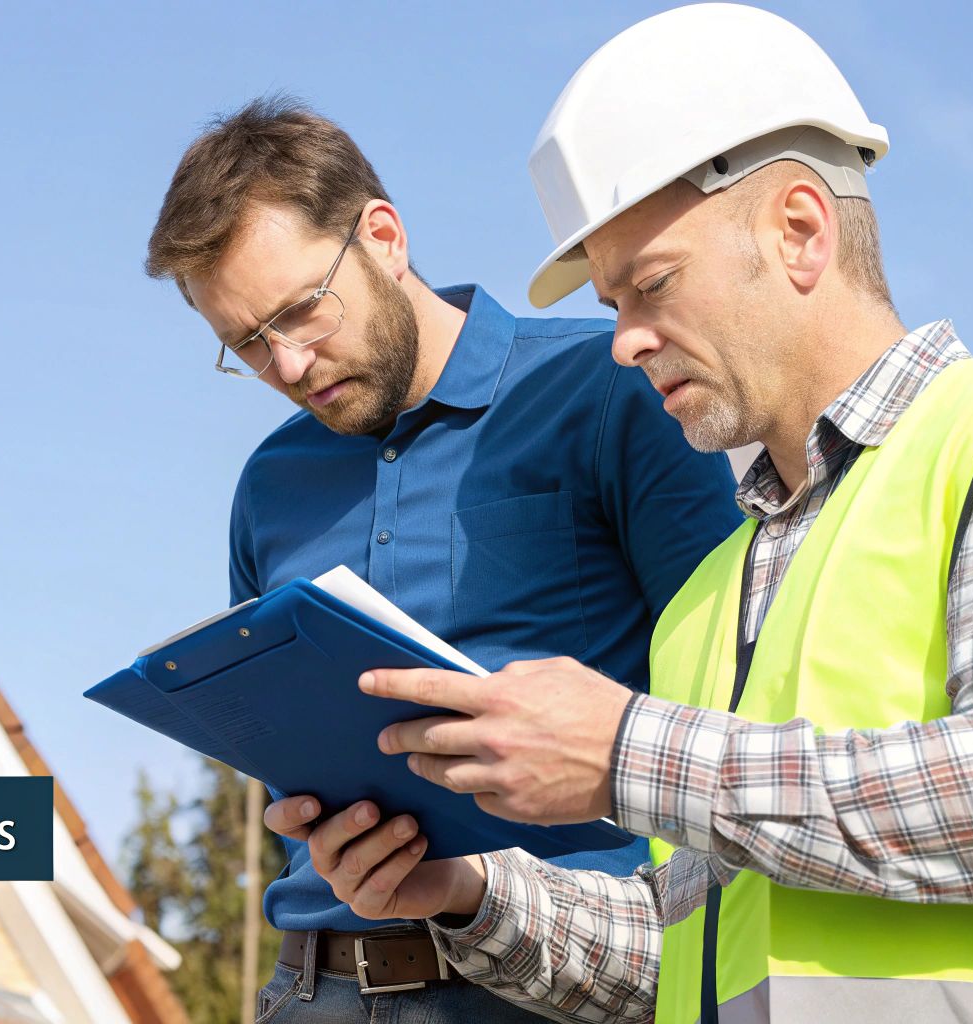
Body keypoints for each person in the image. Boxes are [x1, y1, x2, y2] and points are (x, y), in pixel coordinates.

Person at [273, 5, 973, 1022]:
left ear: (798, 231)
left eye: (651, 285)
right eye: (611, 306)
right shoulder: (708, 596)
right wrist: (464, 893)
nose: (623, 342)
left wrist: (624, 754)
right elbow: (690, 948)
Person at [143, 96, 740, 1021]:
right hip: (313, 988)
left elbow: (730, 698)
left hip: (557, 985)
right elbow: (278, 755)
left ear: (382, 238)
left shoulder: (610, 389)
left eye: (301, 313)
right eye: (247, 345)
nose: (288, 367)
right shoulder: (268, 485)